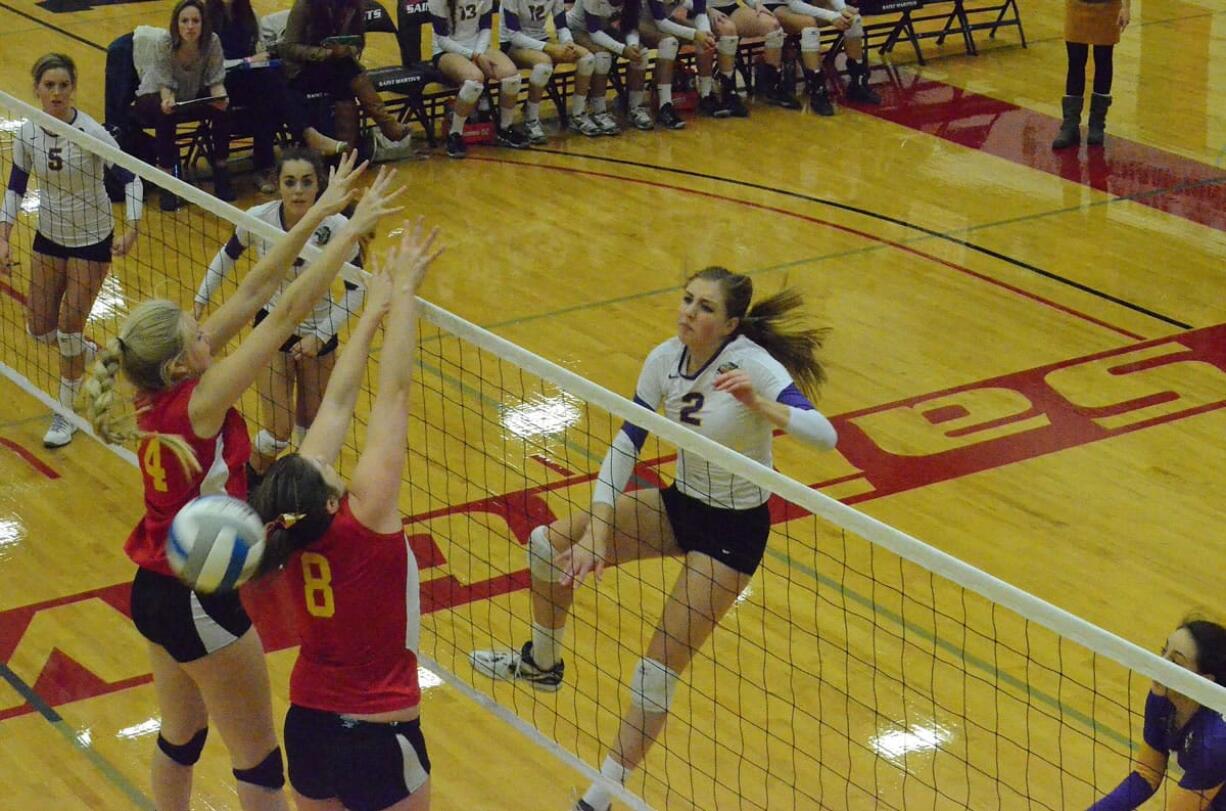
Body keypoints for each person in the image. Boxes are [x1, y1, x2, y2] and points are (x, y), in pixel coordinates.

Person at [82, 154, 402, 811]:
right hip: (197, 593)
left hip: (153, 587)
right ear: (182, 361)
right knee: (258, 761)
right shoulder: (199, 402)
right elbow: (280, 317)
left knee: (182, 734)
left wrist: (322, 210)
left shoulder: (154, 388)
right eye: (200, 334)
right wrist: (349, 235)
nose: (211, 331)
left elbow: (255, 289)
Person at [469, 267, 839, 811]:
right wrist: (596, 533)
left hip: (732, 533)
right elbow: (626, 445)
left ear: (731, 323)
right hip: (679, 504)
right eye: (687, 299)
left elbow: (825, 437)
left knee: (653, 675)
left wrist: (762, 406)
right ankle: (541, 664)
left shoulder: (753, 367)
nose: (689, 312)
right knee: (548, 546)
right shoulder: (664, 359)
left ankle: (598, 798)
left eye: (705, 307)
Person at [248, 221, 442, 811]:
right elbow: (395, 394)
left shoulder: (292, 528)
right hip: (378, 733)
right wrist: (402, 294)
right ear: (330, 500)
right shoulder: (370, 520)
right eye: (329, 471)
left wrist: (372, 310)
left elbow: (336, 401)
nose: (331, 463)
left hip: (308, 725)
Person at [193, 147, 363, 484]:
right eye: (290, 182)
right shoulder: (259, 217)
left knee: (312, 430)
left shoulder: (339, 226)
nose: (298, 190)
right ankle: (244, 483)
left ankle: (303, 490)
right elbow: (226, 256)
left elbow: (359, 288)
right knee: (277, 431)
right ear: (278, 185)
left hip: (320, 332)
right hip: (271, 327)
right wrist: (201, 298)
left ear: (319, 187)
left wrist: (321, 334)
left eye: (306, 182)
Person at [0, 53, 143, 449]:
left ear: (73, 88)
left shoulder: (91, 133)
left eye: (64, 85)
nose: (57, 92)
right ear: (37, 90)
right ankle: (83, 351)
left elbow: (132, 180)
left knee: (66, 330)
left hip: (92, 240)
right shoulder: (29, 133)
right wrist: (3, 236)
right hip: (49, 235)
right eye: (50, 86)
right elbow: (15, 188)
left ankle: (66, 412)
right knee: (39, 329)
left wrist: (132, 229)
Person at [204, 0, 347, 193]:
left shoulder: (249, 14)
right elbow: (210, 65)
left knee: (270, 90)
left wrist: (261, 57)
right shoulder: (205, 18)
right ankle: (306, 136)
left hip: (251, 81)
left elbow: (259, 48)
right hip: (218, 83)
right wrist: (247, 61)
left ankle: (269, 164)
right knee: (272, 88)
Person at [1088, 620, 1226, 811]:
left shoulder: (1215, 741)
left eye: (1175, 662)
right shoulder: (1162, 699)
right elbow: (1146, 775)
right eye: (1164, 651)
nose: (1160, 664)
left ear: (1205, 682)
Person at [133, 0, 234, 209]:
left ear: (203, 24)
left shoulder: (212, 42)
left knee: (222, 109)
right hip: (154, 94)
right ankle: (167, 178)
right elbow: (165, 83)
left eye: (195, 21)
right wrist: (167, 100)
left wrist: (221, 98)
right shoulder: (165, 43)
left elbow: (215, 80)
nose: (190, 26)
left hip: (189, 94)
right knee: (166, 114)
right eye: (184, 21)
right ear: (176, 24)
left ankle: (221, 166)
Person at [280, 0, 411, 155]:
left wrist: (349, 49)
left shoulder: (354, 6)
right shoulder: (305, 5)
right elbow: (288, 48)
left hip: (335, 70)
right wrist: (326, 53)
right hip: (302, 70)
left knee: (344, 76)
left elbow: (359, 41)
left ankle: (345, 151)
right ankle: (383, 125)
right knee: (347, 72)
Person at [430, 0, 531, 158]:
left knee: (511, 75)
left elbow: (485, 28)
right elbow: (442, 40)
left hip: (478, 46)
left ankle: (505, 128)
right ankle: (455, 133)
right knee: (474, 79)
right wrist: (475, 56)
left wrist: (478, 54)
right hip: (446, 50)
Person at [501, 0, 601, 141]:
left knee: (587, 58)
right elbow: (515, 36)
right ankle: (531, 120)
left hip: (542, 39)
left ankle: (578, 114)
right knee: (543, 64)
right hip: (512, 44)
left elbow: (561, 25)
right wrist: (550, 48)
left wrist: (568, 43)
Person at [768, 0, 880, 115]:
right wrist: (832, 16)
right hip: (774, 6)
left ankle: (858, 83)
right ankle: (818, 91)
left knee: (853, 17)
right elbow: (795, 5)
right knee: (809, 25)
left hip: (805, 4)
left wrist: (842, 10)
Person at [1052, 0, 1131, 149]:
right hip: (1076, 4)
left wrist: (1125, 7)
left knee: (1103, 60)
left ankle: (1097, 124)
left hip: (1108, 6)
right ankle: (1070, 124)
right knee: (1075, 60)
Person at [566, 0, 648, 134]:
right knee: (602, 57)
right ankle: (596, 111)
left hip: (605, 29)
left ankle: (635, 108)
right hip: (578, 29)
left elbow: (631, 26)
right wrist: (622, 49)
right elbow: (594, 31)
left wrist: (632, 45)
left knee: (641, 54)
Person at [708, 0, 799, 109]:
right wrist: (708, 9)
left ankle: (772, 87)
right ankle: (728, 92)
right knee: (728, 29)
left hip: (732, 7)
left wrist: (756, 3)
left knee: (772, 25)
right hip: (703, 9)